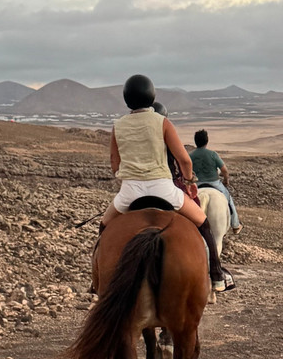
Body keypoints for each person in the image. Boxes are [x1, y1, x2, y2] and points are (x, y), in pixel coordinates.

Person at [100, 76, 230, 292]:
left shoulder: (118, 126)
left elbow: (115, 163)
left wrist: (128, 175)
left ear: (126, 99)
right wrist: (188, 181)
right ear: (151, 96)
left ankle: (97, 280)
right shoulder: (162, 122)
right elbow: (184, 160)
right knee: (203, 222)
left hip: (129, 192)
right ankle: (216, 275)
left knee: (104, 226)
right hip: (163, 189)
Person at [189, 129, 242, 234]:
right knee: (228, 199)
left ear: (195, 141)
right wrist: (226, 181)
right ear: (207, 141)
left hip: (197, 185)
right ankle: (235, 225)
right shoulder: (213, 154)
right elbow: (224, 170)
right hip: (214, 183)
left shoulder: (190, 156)